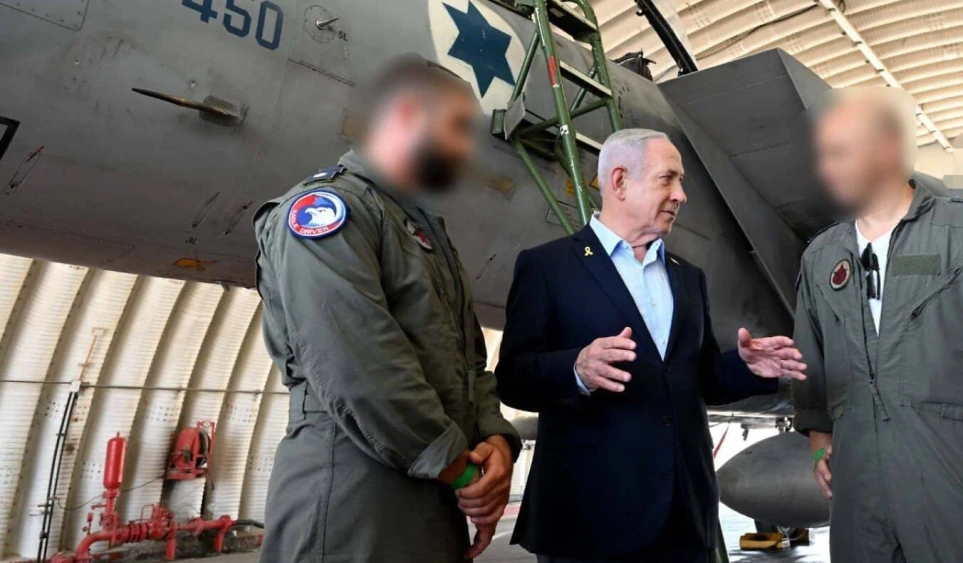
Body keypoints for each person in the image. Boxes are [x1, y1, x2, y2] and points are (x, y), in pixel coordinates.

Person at [495, 128, 807, 563]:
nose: (681, 195)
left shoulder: (687, 276)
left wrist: (748, 367)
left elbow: (699, 379)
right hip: (591, 519)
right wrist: (576, 370)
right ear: (620, 181)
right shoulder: (548, 267)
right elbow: (512, 378)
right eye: (668, 179)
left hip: (685, 516)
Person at [254, 55, 520, 563]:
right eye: (458, 128)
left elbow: (469, 364)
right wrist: (465, 475)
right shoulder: (326, 212)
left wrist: (496, 443)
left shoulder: (420, 229)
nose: (467, 150)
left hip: (433, 488)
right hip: (353, 501)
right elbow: (359, 368)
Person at [792, 88, 963, 562]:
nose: (825, 169)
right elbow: (812, 365)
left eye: (839, 153)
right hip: (859, 499)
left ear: (886, 149)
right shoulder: (820, 258)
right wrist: (820, 445)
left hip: (960, 487)